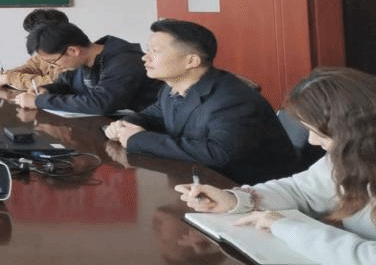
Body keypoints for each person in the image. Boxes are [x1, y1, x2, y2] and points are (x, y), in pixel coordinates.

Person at [175, 67, 376, 265]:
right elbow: (300, 191)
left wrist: (285, 227)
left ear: (359, 130)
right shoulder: (353, 156)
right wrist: (235, 200)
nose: (313, 141)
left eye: (318, 132)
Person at [104, 19, 297, 185]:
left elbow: (217, 153)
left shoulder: (232, 100)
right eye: (148, 50)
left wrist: (138, 139)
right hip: (200, 183)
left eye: (155, 51)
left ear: (191, 61)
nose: (145, 58)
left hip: (247, 191)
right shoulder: (171, 88)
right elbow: (151, 116)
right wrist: (124, 126)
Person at [12, 22, 161, 115]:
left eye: (53, 61)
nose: (53, 66)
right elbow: (65, 84)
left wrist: (40, 101)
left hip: (151, 128)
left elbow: (101, 103)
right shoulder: (82, 61)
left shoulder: (124, 61)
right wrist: (47, 90)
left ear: (73, 51)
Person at [0, 9, 70, 91]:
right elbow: (30, 67)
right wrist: (5, 75)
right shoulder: (47, 53)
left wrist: (9, 78)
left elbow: (53, 83)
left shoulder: (72, 56)